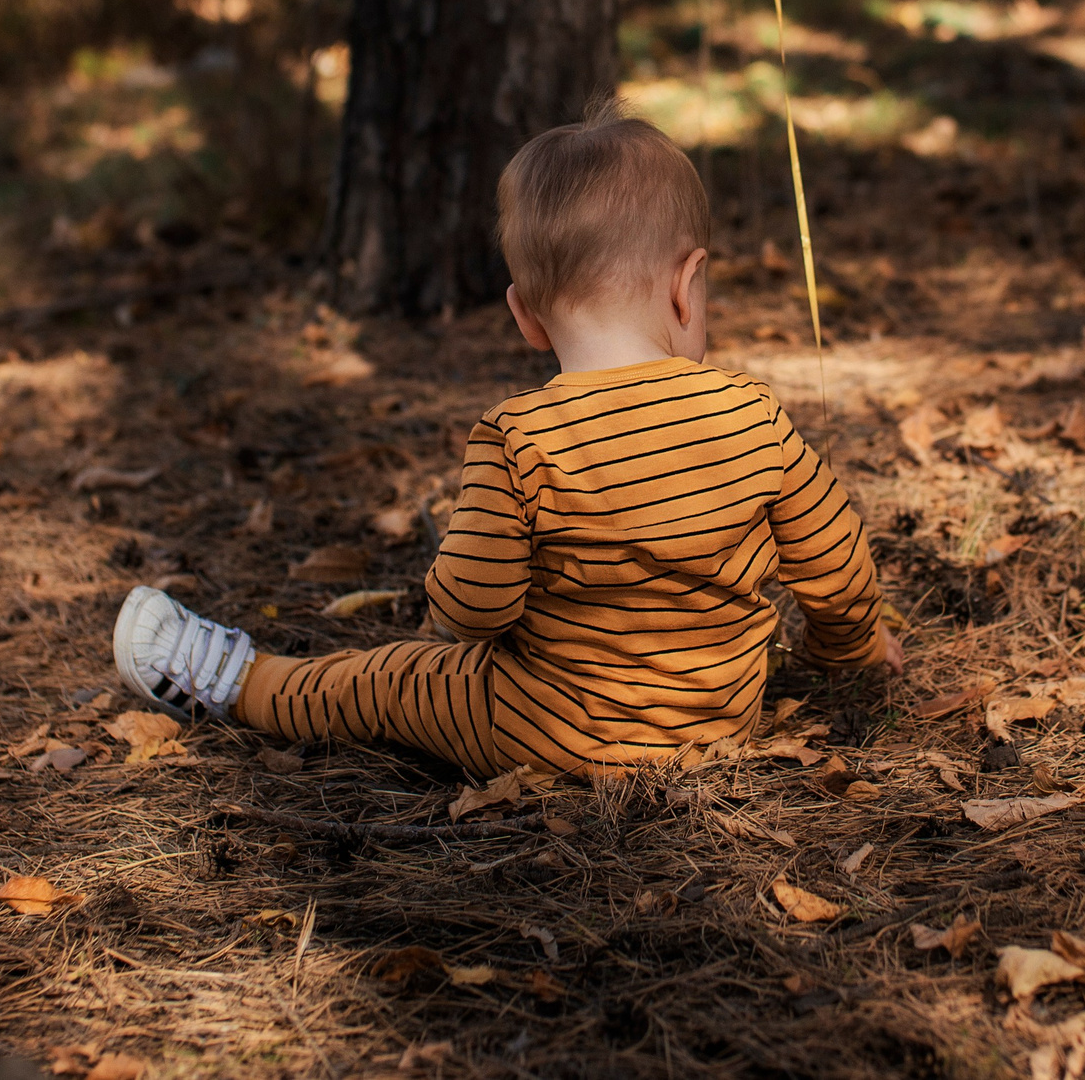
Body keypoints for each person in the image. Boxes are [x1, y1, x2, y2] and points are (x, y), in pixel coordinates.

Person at [109, 101, 902, 777]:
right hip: (719, 727)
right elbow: (835, 564)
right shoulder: (750, 412)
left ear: (525, 314)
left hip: (550, 732)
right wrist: (854, 649)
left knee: (390, 678)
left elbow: (474, 610)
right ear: (687, 285)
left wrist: (446, 607)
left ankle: (241, 680)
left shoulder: (520, 439)